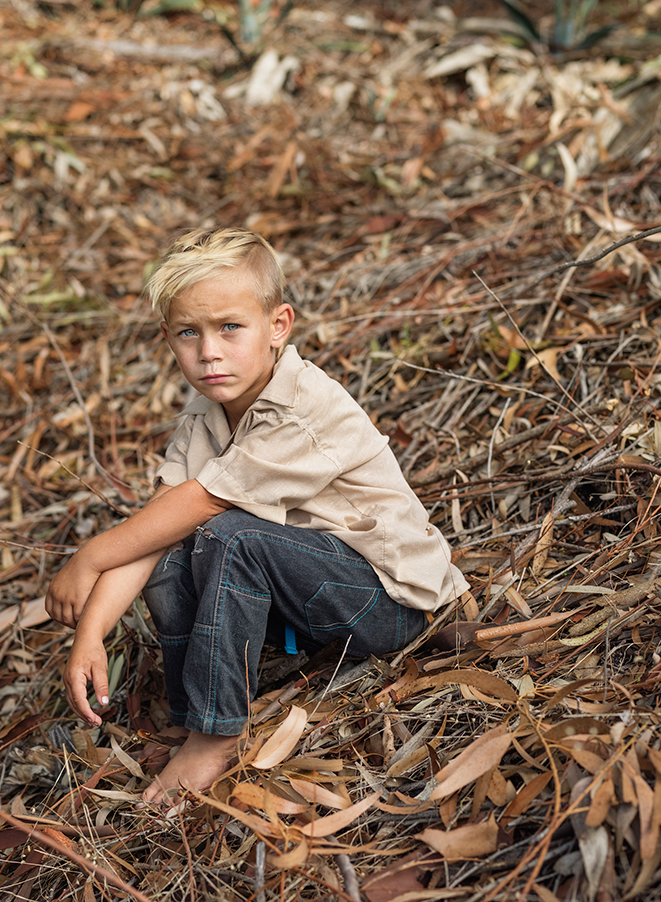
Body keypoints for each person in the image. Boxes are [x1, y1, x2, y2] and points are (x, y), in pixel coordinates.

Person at [44, 227, 469, 803]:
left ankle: (215, 736)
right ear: (168, 339)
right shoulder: (205, 415)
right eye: (188, 333)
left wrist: (88, 557)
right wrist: (90, 632)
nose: (209, 351)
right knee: (174, 545)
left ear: (278, 326)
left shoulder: (300, 409)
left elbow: (204, 505)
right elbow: (155, 528)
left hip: (387, 606)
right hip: (311, 599)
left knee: (227, 535)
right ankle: (191, 704)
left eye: (229, 328)